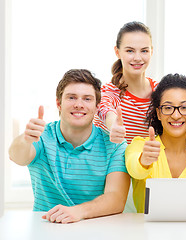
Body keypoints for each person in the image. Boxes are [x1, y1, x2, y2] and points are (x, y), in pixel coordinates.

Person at [8, 69, 130, 224]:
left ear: (97, 107)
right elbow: (17, 157)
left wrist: (78, 212)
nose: (79, 105)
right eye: (72, 97)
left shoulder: (114, 146)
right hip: (46, 228)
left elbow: (116, 199)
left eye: (87, 99)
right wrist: (25, 139)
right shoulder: (42, 136)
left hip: (95, 229)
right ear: (59, 103)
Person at [125, 73, 186, 222]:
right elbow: (134, 169)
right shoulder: (140, 146)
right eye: (168, 107)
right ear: (158, 113)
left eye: (184, 107)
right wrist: (144, 160)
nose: (176, 115)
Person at [93, 21, 158, 144]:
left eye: (144, 51)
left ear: (151, 51)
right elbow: (106, 111)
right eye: (130, 51)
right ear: (117, 52)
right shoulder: (109, 91)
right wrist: (114, 126)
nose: (138, 58)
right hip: (109, 162)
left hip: (145, 162)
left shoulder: (160, 91)